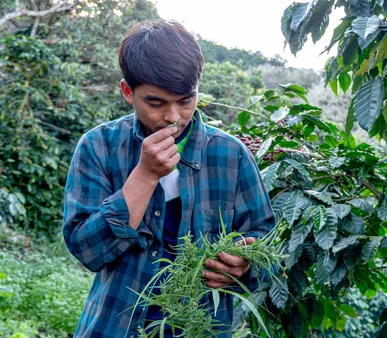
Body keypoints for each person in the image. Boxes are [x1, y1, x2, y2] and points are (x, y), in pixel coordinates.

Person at [62, 20, 275, 337]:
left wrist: (243, 266)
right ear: (127, 92)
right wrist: (145, 175)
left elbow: (266, 246)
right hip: (113, 327)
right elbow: (87, 251)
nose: (173, 117)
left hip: (199, 327)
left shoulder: (232, 156)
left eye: (186, 100)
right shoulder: (99, 147)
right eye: (155, 102)